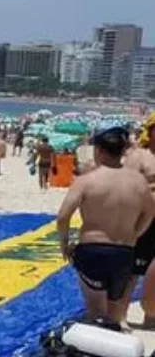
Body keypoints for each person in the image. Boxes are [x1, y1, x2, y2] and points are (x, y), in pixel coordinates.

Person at [56, 126, 155, 322]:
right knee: (115, 311)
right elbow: (150, 212)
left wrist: (64, 244)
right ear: (122, 152)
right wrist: (136, 233)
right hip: (124, 251)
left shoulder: (86, 180)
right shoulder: (138, 182)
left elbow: (63, 217)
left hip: (93, 249)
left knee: (95, 311)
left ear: (99, 151)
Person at [116, 118, 155, 327]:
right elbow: (126, 187)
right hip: (143, 219)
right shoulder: (139, 156)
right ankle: (121, 315)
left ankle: (151, 317)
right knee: (132, 271)